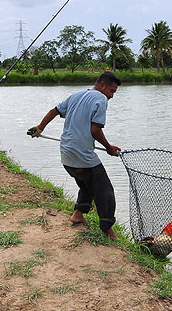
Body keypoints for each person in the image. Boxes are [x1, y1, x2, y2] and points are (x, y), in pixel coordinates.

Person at [30, 71, 122, 240]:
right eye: (112, 91)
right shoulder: (100, 99)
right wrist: (109, 148)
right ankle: (108, 230)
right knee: (105, 191)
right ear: (102, 85)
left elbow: (54, 110)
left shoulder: (77, 95)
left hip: (66, 156)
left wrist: (40, 128)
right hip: (82, 157)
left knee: (87, 184)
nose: (112, 96)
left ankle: (78, 214)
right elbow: (95, 129)